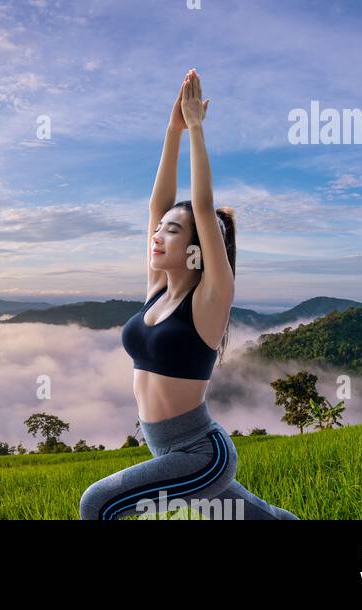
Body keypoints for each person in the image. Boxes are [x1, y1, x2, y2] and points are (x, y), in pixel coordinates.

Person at [78, 69, 299, 520]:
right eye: (158, 231)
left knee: (98, 505)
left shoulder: (209, 301)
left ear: (197, 251)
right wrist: (172, 130)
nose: (157, 235)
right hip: (168, 450)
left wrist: (197, 127)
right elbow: (158, 206)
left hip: (200, 455)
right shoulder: (158, 291)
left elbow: (201, 205)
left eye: (171, 232)